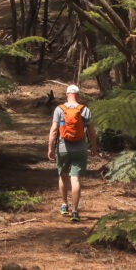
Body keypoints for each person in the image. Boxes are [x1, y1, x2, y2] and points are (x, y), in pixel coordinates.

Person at [47, 84, 99, 222]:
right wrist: (93, 146)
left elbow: (53, 130)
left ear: (66, 94)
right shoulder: (85, 110)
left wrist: (50, 148)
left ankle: (64, 205)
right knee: (75, 178)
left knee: (63, 175)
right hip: (80, 149)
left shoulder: (59, 109)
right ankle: (75, 212)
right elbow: (91, 131)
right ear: (78, 95)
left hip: (63, 148)